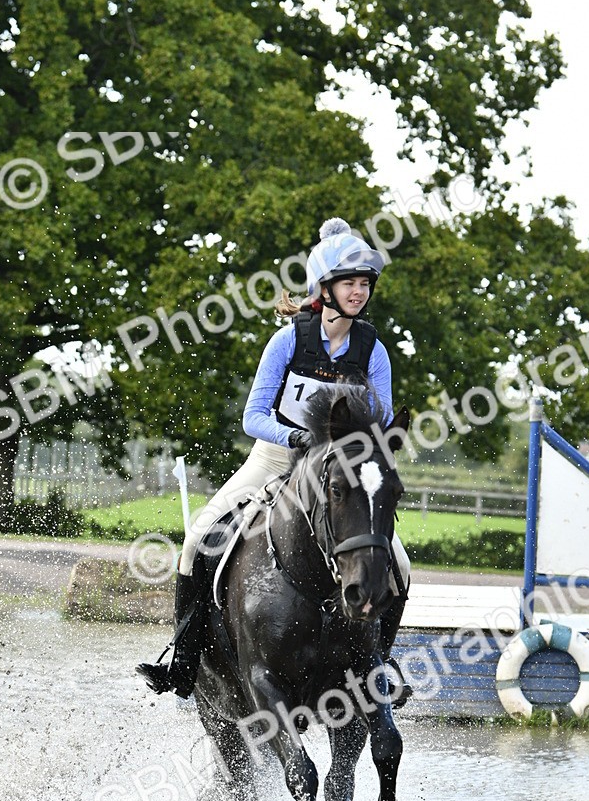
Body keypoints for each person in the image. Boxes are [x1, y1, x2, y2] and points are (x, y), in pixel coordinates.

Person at [137, 216, 411, 697]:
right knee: (198, 538)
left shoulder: (374, 351)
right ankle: (183, 660)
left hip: (340, 472)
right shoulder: (288, 340)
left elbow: (379, 421)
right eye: (348, 282)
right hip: (275, 459)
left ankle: (379, 667)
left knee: (399, 562)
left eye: (364, 283)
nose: (358, 291)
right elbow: (253, 416)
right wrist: (299, 440)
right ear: (324, 287)